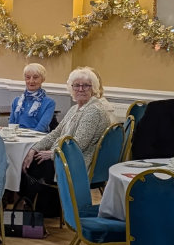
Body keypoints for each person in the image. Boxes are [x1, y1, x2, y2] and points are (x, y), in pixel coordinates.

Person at [20, 67, 114, 214]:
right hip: (66, 156)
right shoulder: (76, 108)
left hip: (79, 163)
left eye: (86, 85)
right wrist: (34, 148)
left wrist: (51, 154)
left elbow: (78, 145)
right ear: (71, 88)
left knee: (35, 164)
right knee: (31, 157)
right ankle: (40, 209)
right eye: (76, 85)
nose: (80, 89)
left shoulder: (94, 111)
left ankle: (35, 211)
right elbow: (55, 133)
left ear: (93, 88)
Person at [9, 63, 57, 132]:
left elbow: (42, 128)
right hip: (16, 139)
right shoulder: (16, 101)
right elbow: (11, 125)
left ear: (43, 79)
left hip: (37, 139)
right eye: (28, 77)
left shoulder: (49, 103)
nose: (31, 81)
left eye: (35, 77)